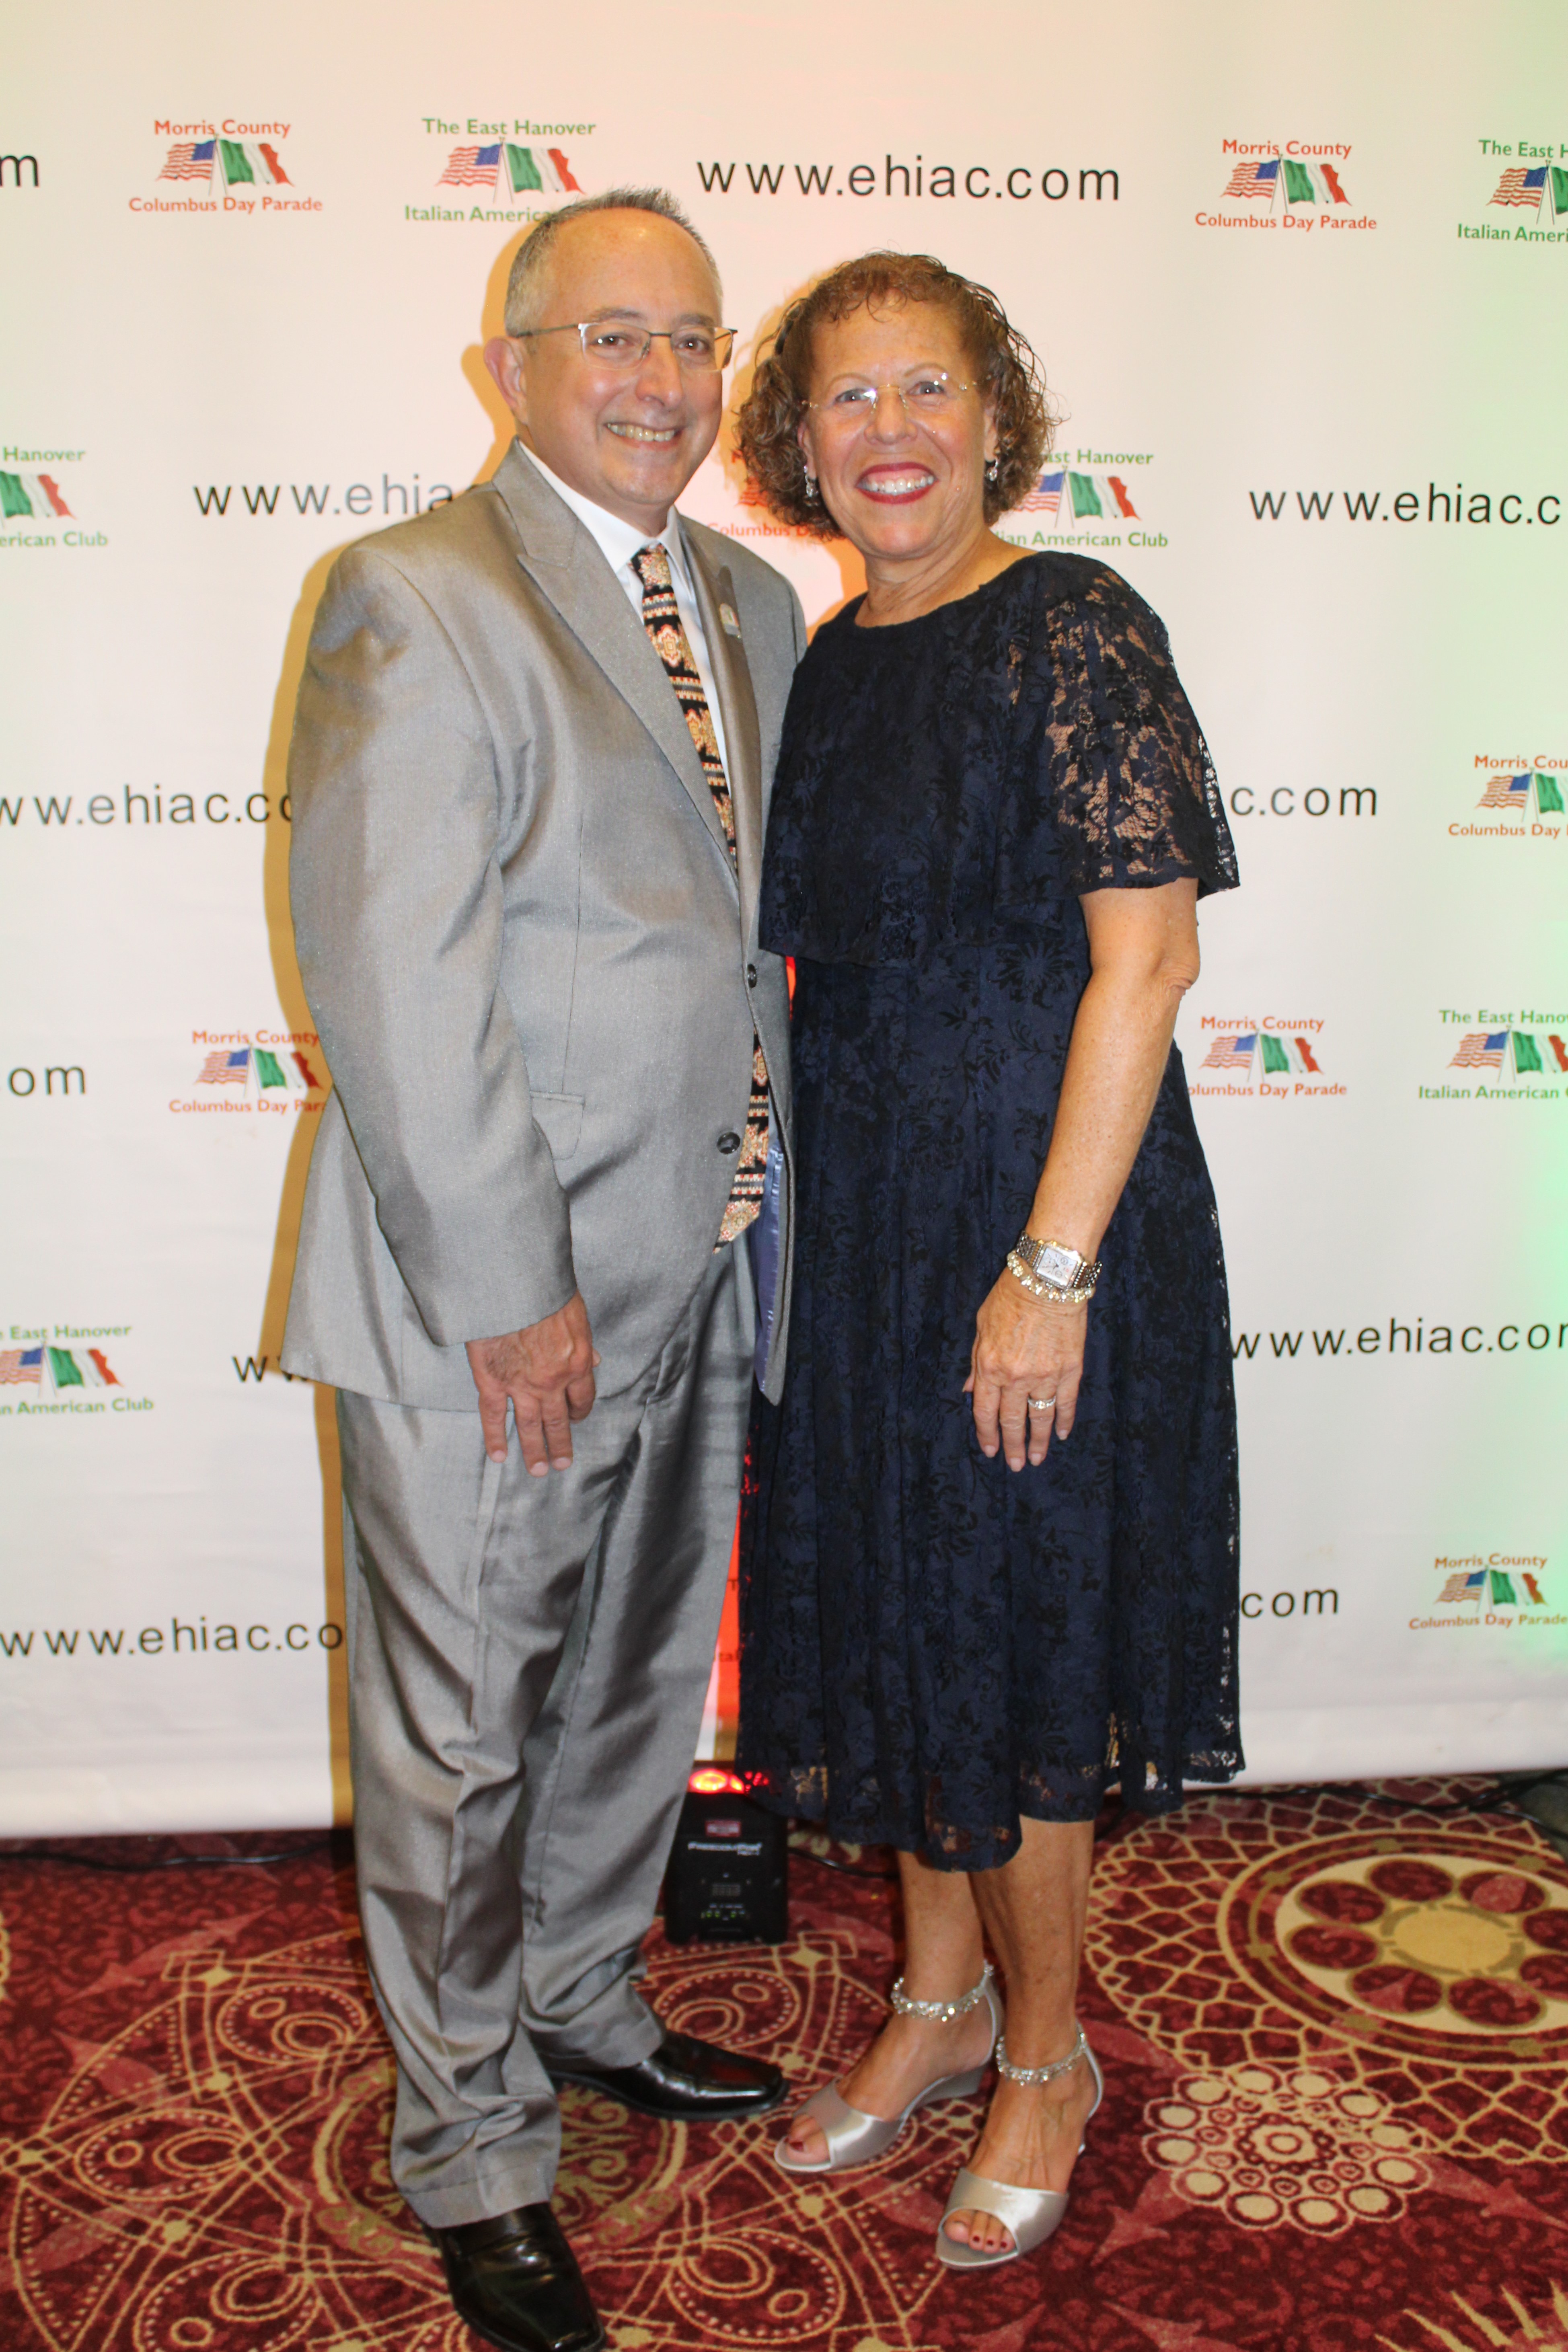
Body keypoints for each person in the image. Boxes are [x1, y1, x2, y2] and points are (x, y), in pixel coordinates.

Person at [282, 188, 806, 2352]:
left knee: (627, 1685)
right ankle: (474, 2147)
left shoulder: (752, 601)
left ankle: (580, 1995)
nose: (661, 381)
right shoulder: (417, 592)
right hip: (493, 1300)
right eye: (612, 336)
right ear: (507, 364)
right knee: (463, 1740)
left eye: (692, 338)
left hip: (704, 1254)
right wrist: (512, 1288)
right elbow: (394, 975)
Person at [734, 253, 1241, 2272]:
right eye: (849, 397)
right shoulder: (833, 660)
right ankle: (938, 2006)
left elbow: (1152, 959)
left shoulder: (1076, 624)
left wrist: (1050, 1268)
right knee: (900, 1616)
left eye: (926, 387)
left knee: (1016, 1639)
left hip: (1047, 1220)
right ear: (801, 441)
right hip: (866, 1231)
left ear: (994, 415)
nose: (891, 431)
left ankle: (1050, 2050)